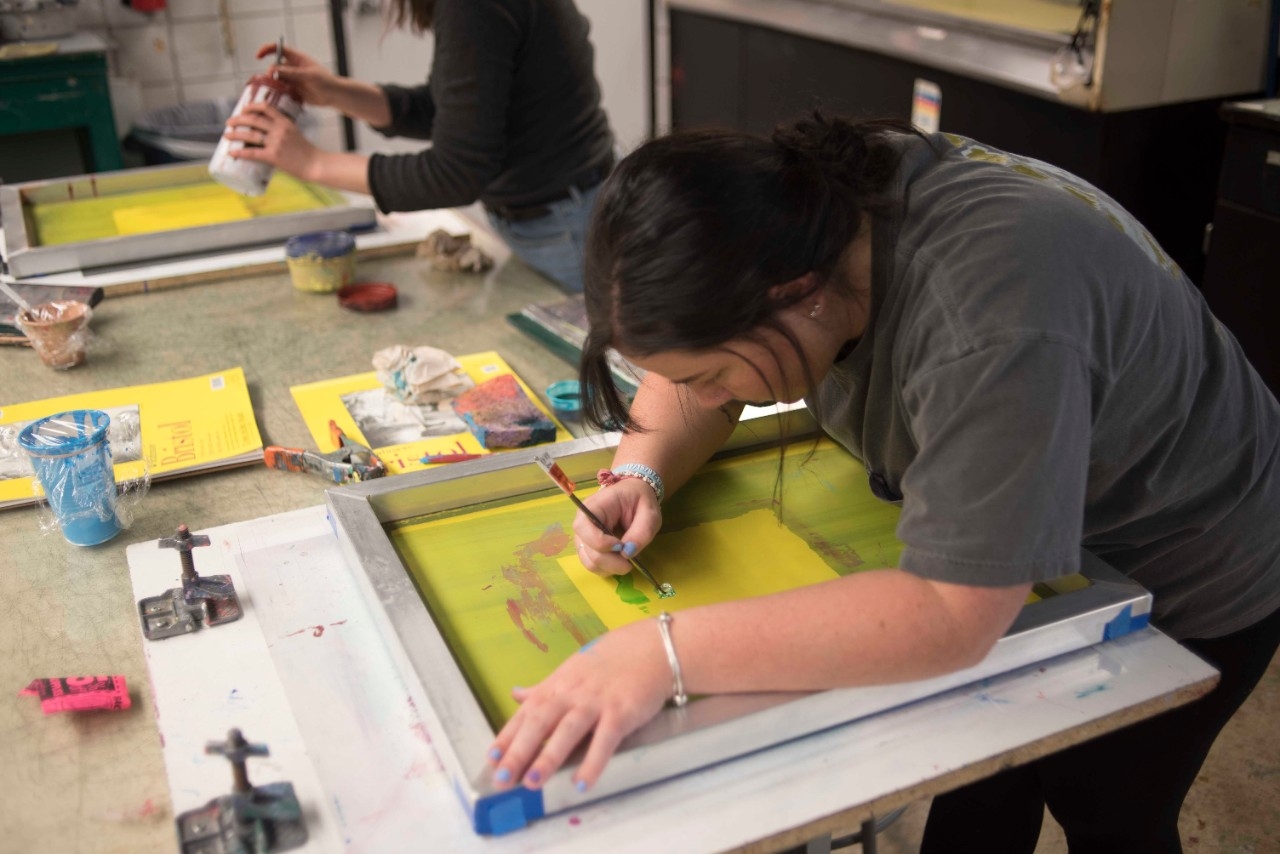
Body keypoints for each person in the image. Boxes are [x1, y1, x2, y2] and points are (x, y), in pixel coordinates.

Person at [483, 113, 1280, 851]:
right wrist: (642, 467)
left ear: (799, 294)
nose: (711, 394)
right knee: (982, 773)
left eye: (719, 373)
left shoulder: (988, 320)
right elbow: (691, 373)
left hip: (1187, 545)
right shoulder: (804, 207)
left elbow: (952, 610)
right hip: (1045, 512)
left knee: (1104, 800)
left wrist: (659, 655)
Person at [224, 0, 615, 293]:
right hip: (564, 214)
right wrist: (335, 91)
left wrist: (312, 162)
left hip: (566, 227)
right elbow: (461, 110)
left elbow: (456, 173)